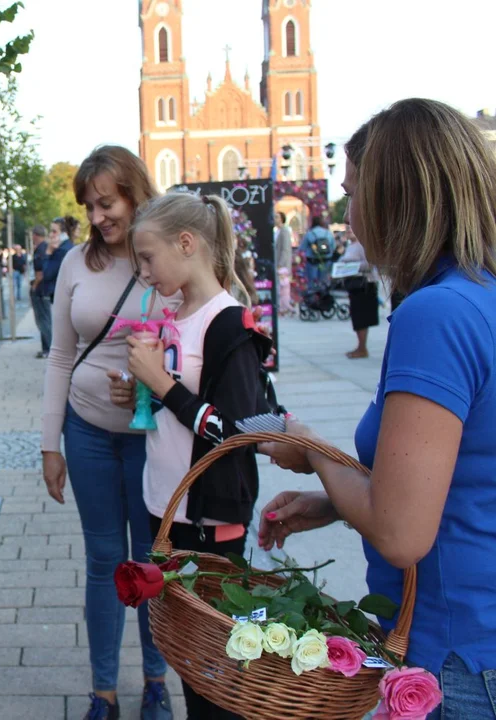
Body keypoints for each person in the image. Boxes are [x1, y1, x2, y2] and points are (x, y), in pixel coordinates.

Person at [258, 100, 496, 717]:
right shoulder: (480, 295)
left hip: (456, 651)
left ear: (399, 198)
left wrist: (311, 448)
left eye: (355, 193)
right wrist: (336, 502)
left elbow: (400, 533)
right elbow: (459, 481)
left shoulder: (436, 315)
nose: (349, 215)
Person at [118, 192, 274, 720]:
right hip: (164, 509)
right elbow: (177, 405)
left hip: (209, 521)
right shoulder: (173, 314)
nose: (142, 272)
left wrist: (162, 387)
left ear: (186, 244)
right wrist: (141, 393)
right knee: (188, 656)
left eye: (147, 257)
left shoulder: (229, 323)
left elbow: (233, 431)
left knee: (220, 667)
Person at [41, 146, 175, 720]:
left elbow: (193, 347)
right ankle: (103, 692)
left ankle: (155, 681)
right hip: (88, 432)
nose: (96, 217)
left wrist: (152, 383)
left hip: (154, 440)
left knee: (148, 561)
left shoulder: (166, 254)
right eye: (88, 207)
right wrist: (51, 442)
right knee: (102, 561)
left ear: (136, 193)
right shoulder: (76, 262)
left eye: (107, 203)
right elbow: (59, 357)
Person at [340, 227, 379, 358]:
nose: (348, 231)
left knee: (362, 317)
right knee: (356, 317)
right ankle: (360, 346)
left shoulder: (364, 245)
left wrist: (351, 266)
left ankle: (362, 347)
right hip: (354, 284)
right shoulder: (351, 246)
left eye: (351, 229)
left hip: (364, 284)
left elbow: (370, 263)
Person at [41, 216, 76, 303]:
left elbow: (47, 274)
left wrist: (48, 252)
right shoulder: (68, 246)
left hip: (60, 298)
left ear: (64, 234)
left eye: (54, 232)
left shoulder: (61, 250)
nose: (50, 235)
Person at [30, 225, 51, 357]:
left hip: (40, 290)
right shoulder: (46, 248)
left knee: (43, 320)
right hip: (45, 289)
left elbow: (40, 273)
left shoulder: (40, 250)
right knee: (46, 319)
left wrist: (34, 287)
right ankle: (46, 348)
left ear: (35, 235)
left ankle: (47, 348)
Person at [301, 215, 334, 288]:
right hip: (325, 261)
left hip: (312, 262)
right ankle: (323, 297)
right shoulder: (328, 233)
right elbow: (333, 247)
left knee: (312, 283)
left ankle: (313, 297)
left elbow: (302, 248)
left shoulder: (309, 233)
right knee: (323, 282)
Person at [274, 212, 295, 315]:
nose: (274, 219)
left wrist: (280, 264)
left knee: (283, 288)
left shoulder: (284, 231)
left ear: (282, 218)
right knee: (281, 288)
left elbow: (285, 249)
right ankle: (284, 307)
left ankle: (286, 308)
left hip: (282, 266)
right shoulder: (277, 231)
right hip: (278, 264)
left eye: (276, 217)